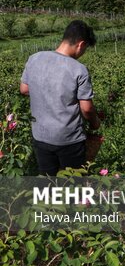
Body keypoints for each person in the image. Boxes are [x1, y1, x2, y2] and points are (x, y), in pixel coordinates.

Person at [20, 20, 101, 176]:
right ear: (81, 44)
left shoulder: (35, 58)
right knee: (72, 184)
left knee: (47, 182)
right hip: (69, 140)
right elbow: (87, 108)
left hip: (40, 136)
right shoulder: (79, 69)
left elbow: (24, 89)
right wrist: (95, 122)